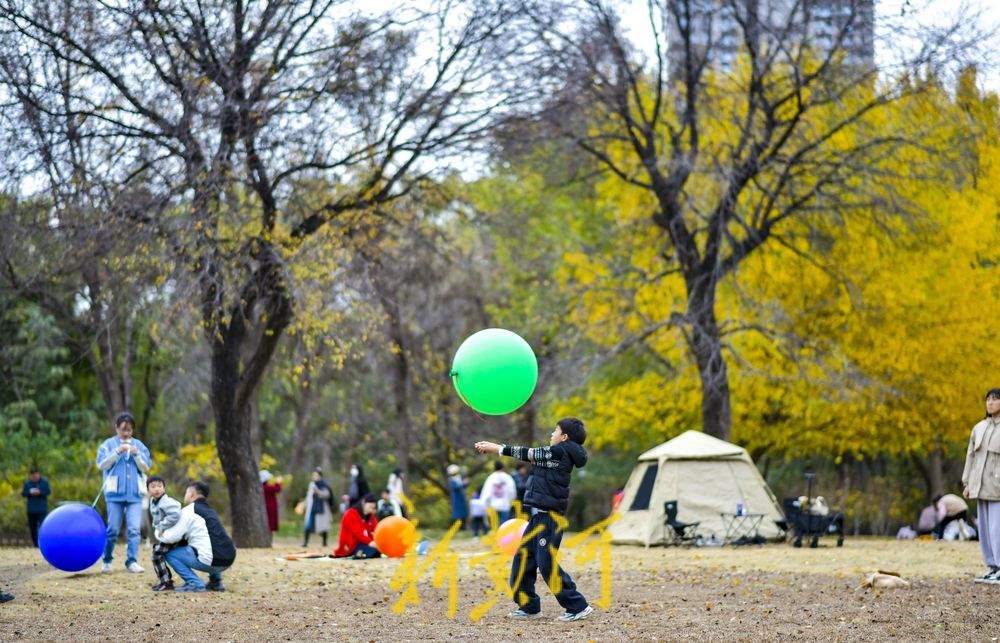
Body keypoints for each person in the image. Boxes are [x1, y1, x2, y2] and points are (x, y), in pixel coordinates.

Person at [475, 417, 593, 622]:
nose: (551, 434)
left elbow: (527, 453)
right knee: (523, 560)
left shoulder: (559, 452)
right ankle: (528, 606)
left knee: (545, 563)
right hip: (537, 517)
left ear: (564, 437)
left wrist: (496, 448)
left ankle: (577, 606)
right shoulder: (556, 453)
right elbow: (533, 458)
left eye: (555, 431)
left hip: (549, 518)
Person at [95, 412, 152, 573]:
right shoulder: (107, 445)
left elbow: (146, 467)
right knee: (113, 529)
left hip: (135, 494)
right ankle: (106, 560)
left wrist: (136, 455)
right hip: (114, 494)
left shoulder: (139, 446)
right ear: (116, 428)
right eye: (122, 430)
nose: (126, 433)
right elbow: (101, 465)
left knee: (134, 529)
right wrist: (117, 451)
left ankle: (131, 561)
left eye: (129, 430)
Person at [160, 481, 237, 592]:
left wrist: (161, 534)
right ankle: (216, 582)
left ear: (192, 494)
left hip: (211, 561)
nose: (185, 495)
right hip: (229, 559)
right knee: (209, 543)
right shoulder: (211, 511)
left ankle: (194, 583)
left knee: (170, 554)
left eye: (187, 492)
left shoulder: (189, 510)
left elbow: (172, 537)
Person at [964, 388, 1000, 583]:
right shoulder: (979, 428)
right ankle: (992, 567)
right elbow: (971, 456)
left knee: (997, 529)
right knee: (985, 530)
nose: (990, 403)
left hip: (998, 488)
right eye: (988, 399)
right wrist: (967, 482)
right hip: (981, 486)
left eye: (995, 399)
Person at [147, 476, 182, 591]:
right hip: (165, 534)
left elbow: (176, 513)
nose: (156, 489)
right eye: (153, 487)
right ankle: (164, 581)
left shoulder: (165, 501)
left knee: (157, 554)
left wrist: (162, 525)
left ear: (164, 488)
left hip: (172, 534)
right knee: (155, 552)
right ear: (148, 490)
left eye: (159, 486)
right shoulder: (153, 501)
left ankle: (166, 582)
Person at [333, 493, 380, 558]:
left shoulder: (370, 516)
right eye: (370, 506)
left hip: (363, 543)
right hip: (351, 545)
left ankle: (362, 553)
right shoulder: (351, 513)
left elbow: (377, 529)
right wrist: (370, 542)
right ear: (363, 502)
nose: (371, 509)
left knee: (378, 551)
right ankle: (359, 554)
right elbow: (358, 533)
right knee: (373, 551)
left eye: (373, 508)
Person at [480, 460, 517, 526]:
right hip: (505, 505)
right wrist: (511, 501)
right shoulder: (508, 477)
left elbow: (486, 493)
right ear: (503, 467)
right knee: (504, 526)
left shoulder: (491, 478)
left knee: (494, 526)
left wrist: (485, 504)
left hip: (493, 505)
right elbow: (512, 491)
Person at [303, 468, 333, 547]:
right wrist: (303, 504)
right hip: (312, 508)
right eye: (313, 475)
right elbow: (308, 496)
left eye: (315, 475)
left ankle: (324, 542)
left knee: (323, 527)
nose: (314, 477)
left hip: (321, 508)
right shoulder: (312, 484)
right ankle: (305, 543)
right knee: (308, 525)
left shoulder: (324, 485)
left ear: (320, 476)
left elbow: (327, 495)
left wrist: (318, 491)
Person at [21, 468, 50, 547]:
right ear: (31, 476)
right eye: (33, 475)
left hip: (42, 509)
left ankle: (44, 543)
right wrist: (30, 493)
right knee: (32, 528)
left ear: (39, 474)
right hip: (31, 509)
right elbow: (23, 493)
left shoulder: (44, 482)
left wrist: (40, 492)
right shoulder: (27, 483)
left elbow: (48, 491)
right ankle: (36, 545)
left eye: (36, 474)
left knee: (43, 526)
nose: (35, 476)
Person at [446, 464, 468, 528]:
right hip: (456, 498)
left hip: (461, 497)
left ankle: (463, 526)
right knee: (457, 512)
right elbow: (456, 487)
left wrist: (465, 483)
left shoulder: (459, 478)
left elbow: (462, 486)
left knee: (463, 512)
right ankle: (456, 526)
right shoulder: (451, 480)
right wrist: (463, 483)